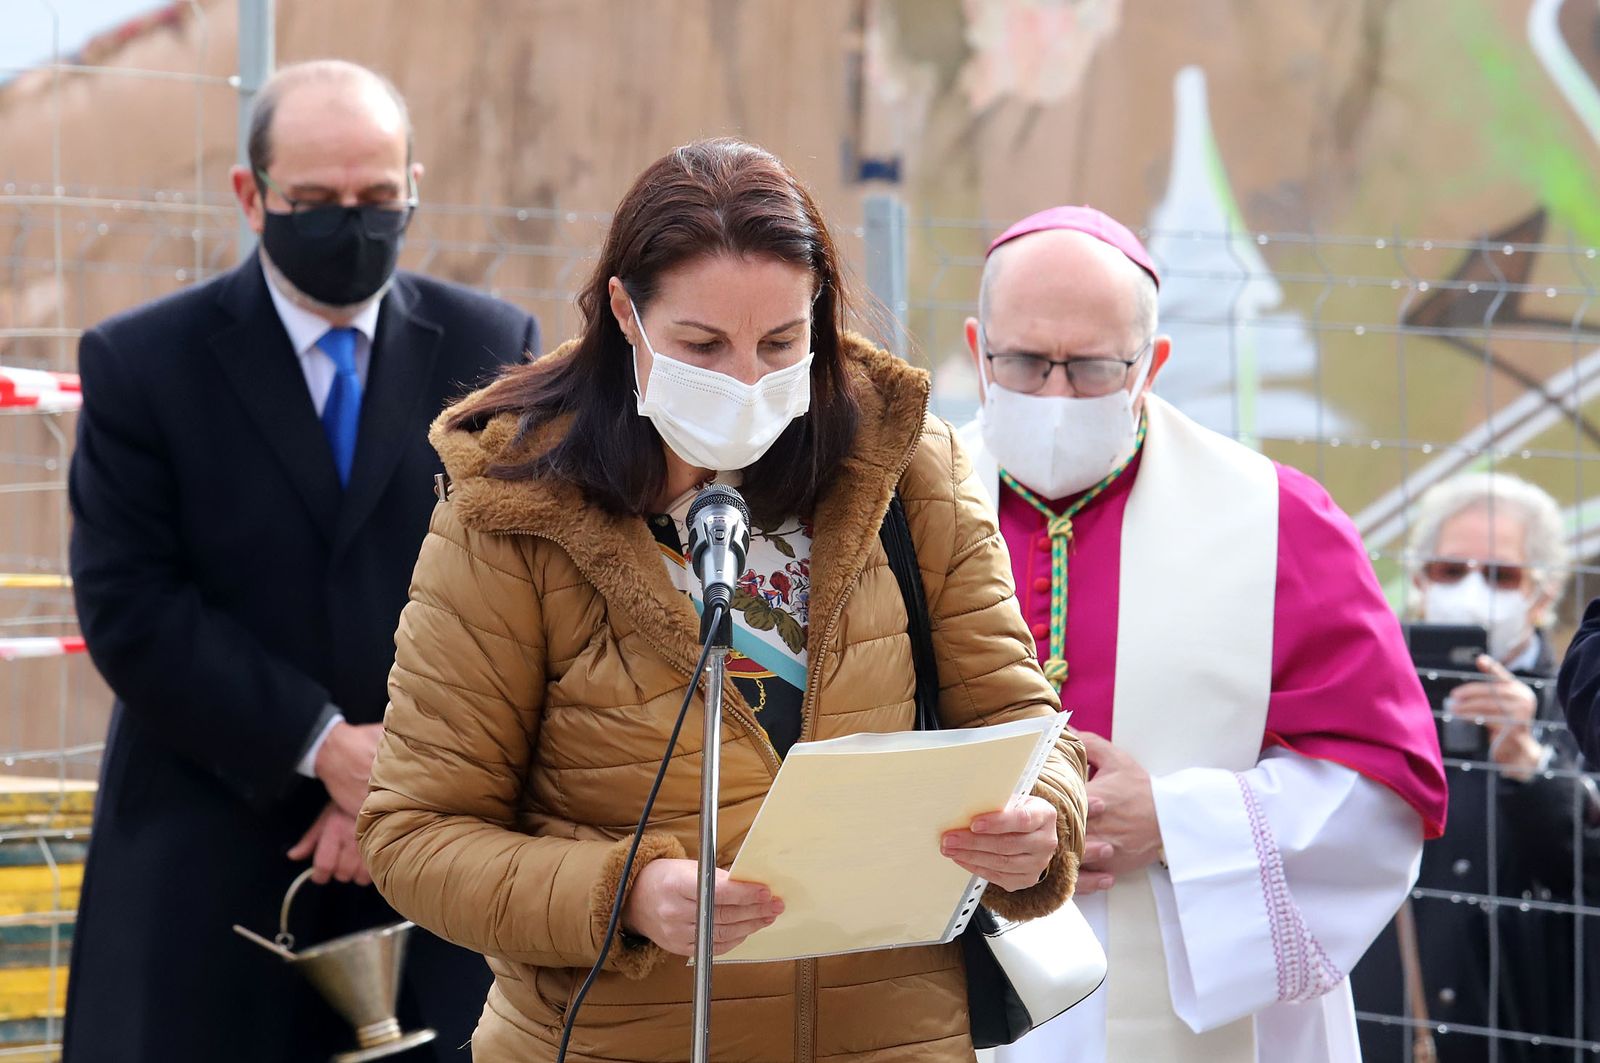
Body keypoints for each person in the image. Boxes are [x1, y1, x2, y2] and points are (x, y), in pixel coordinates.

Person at [355, 138, 1088, 1062]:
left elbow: (1028, 723)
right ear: (625, 310)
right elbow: (413, 833)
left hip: (894, 1034)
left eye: (782, 342)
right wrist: (624, 894)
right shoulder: (511, 507)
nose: (747, 379)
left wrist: (1043, 820)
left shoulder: (903, 465)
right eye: (703, 345)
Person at [64, 60, 539, 1063]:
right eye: (315, 201)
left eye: (376, 197)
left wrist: (394, 777)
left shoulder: (495, 350)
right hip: (211, 858)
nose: (351, 222)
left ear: (414, 182)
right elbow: (133, 606)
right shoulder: (143, 365)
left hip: (433, 848)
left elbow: (517, 594)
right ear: (252, 197)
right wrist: (325, 748)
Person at [958, 206, 1449, 1063]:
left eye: (1096, 368)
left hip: (1192, 1002)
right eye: (1028, 363)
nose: (1058, 397)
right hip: (955, 980)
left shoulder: (1275, 520)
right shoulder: (895, 511)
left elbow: (1383, 792)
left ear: (1152, 364)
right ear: (977, 351)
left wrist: (1178, 823)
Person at [1355, 472, 1600, 1062]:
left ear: (1544, 593)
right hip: (1384, 1028)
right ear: (1416, 582)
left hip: (1531, 1027)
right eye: (1449, 570)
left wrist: (1530, 764)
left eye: (1501, 575)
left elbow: (1588, 871)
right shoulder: (1371, 696)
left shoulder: (1582, 702)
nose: (1471, 588)